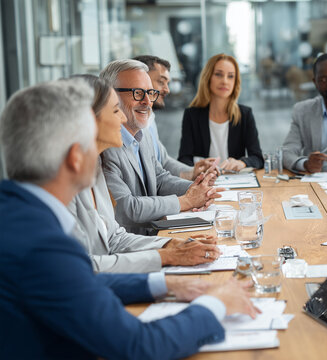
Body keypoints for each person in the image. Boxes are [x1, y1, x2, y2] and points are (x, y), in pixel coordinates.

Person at [0, 78, 258, 359]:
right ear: (76, 158)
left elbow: (79, 279)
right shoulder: (42, 245)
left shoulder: (17, 217)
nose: (123, 119)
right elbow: (140, 345)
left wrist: (165, 284)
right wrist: (215, 303)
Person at [68, 74, 221, 273]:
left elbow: (114, 238)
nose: (122, 117)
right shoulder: (67, 178)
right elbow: (82, 267)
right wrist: (167, 255)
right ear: (90, 119)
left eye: (150, 92)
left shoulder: (94, 164)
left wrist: (171, 244)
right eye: (115, 110)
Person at [100, 59, 223, 235]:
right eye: (137, 93)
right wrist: (186, 201)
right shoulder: (106, 147)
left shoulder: (144, 134)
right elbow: (127, 208)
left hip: (156, 234)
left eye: (150, 93)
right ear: (111, 97)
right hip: (133, 244)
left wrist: (196, 190)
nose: (147, 101)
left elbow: (159, 178)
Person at [133, 55, 217, 180]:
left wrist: (193, 172)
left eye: (167, 83)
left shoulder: (150, 119)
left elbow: (163, 161)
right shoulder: (133, 124)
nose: (167, 90)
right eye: (161, 82)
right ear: (142, 79)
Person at [178, 53, 264, 172]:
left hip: (236, 181)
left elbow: (258, 158)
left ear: (235, 82)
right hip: (205, 181)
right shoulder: (192, 115)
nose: (224, 81)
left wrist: (242, 162)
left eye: (230, 76)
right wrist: (199, 167)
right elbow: (184, 158)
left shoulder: (245, 114)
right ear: (208, 78)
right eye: (218, 74)